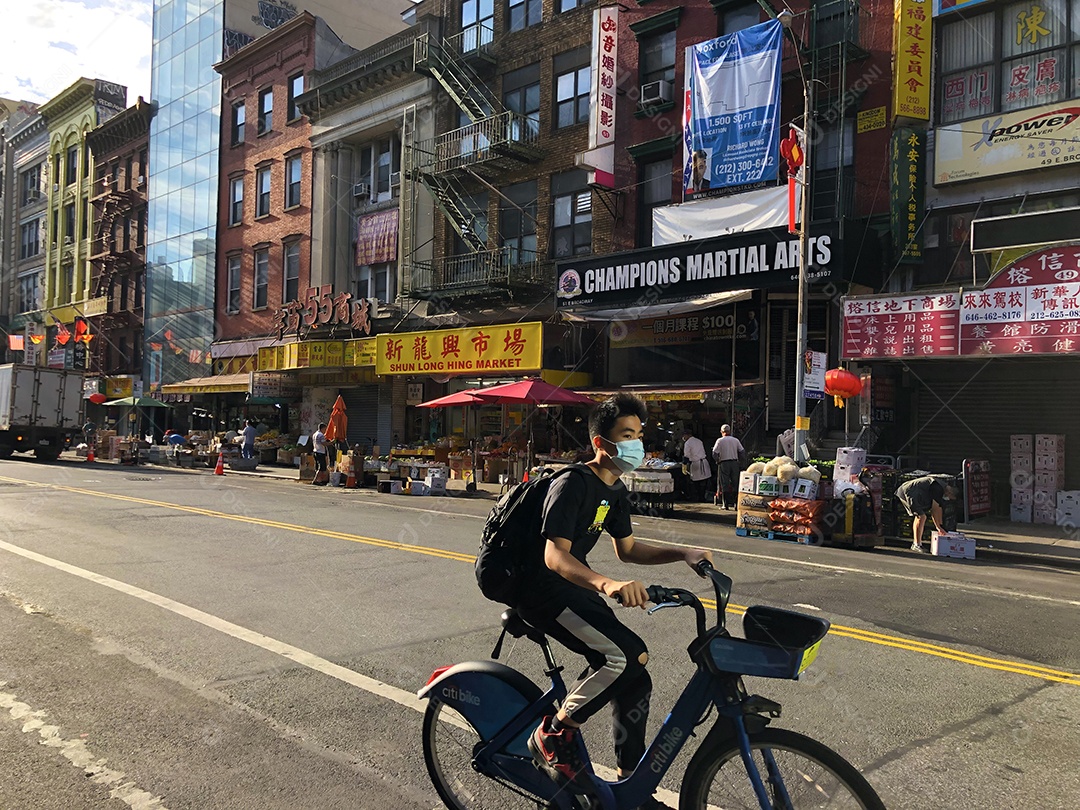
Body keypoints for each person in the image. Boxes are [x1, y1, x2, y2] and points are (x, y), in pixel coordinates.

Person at [522, 393, 713, 808]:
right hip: (540, 591)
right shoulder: (573, 483)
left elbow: (627, 549)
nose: (635, 444)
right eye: (626, 435)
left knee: (636, 676)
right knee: (626, 656)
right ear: (599, 443)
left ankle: (633, 788)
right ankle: (552, 733)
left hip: (570, 587)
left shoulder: (614, 490)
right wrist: (607, 584)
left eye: (638, 435)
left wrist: (683, 553)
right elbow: (554, 556)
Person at [896, 475, 958, 552]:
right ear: (950, 493)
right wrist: (938, 527)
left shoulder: (942, 487)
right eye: (950, 497)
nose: (948, 499)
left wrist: (941, 526)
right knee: (921, 517)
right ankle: (916, 544)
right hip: (909, 492)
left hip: (915, 492)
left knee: (920, 516)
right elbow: (934, 510)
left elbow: (939, 508)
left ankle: (916, 543)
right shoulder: (938, 489)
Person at [712, 424, 745, 510]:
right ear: (730, 431)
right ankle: (736, 505)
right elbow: (742, 451)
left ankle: (725, 505)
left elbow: (714, 453)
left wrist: (717, 460)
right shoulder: (735, 440)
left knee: (724, 484)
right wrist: (740, 461)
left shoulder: (720, 441)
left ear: (721, 432)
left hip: (724, 463)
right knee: (735, 483)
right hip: (734, 463)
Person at [681, 427, 711, 502]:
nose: (683, 437)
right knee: (703, 481)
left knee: (695, 483)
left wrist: (684, 465)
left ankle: (697, 498)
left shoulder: (688, 443)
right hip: (704, 462)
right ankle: (702, 497)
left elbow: (686, 456)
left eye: (684, 435)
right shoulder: (699, 441)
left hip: (696, 464)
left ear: (687, 435)